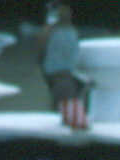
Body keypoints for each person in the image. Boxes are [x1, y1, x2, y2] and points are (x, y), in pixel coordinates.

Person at [40, 4, 88, 133]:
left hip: (66, 71)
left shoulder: (70, 31)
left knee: (67, 97)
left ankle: (70, 122)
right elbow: (42, 53)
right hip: (58, 71)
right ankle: (71, 123)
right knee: (64, 97)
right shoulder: (51, 31)